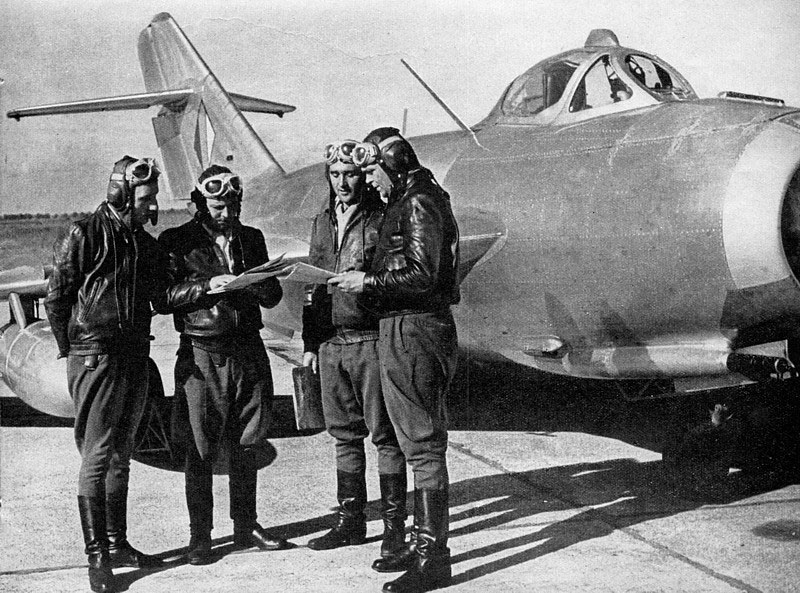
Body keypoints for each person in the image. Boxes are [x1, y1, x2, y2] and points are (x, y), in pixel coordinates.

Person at [328, 128, 460, 593]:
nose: (369, 181)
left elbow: (423, 275)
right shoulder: (410, 198)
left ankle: (432, 560)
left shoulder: (417, 201)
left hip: (414, 328)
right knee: (413, 442)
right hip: (403, 325)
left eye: (371, 171)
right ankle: (420, 548)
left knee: (422, 445)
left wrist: (366, 282)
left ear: (391, 163)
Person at [45, 156, 168, 593]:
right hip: (95, 356)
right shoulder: (83, 233)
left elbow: (159, 295)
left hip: (134, 354)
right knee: (97, 455)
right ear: (121, 193)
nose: (152, 206)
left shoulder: (142, 242)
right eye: (146, 198)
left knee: (122, 453)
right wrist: (72, 348)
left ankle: (117, 543)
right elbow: (57, 296)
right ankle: (97, 556)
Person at [158, 164, 290, 566]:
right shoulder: (177, 241)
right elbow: (163, 298)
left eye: (232, 205)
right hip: (203, 353)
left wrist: (260, 281)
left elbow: (272, 297)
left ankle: (245, 526)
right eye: (218, 206)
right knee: (199, 447)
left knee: (248, 441)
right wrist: (205, 286)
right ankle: (200, 536)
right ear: (201, 203)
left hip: (248, 349)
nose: (227, 212)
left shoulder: (252, 238)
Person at [302, 140, 407, 563]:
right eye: (335, 175)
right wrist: (310, 343)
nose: (343, 183)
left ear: (362, 176)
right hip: (331, 343)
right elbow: (313, 288)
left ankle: (394, 530)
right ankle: (350, 522)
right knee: (343, 436)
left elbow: (393, 278)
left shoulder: (382, 218)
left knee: (385, 437)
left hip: (370, 340)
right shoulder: (322, 221)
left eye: (350, 174)